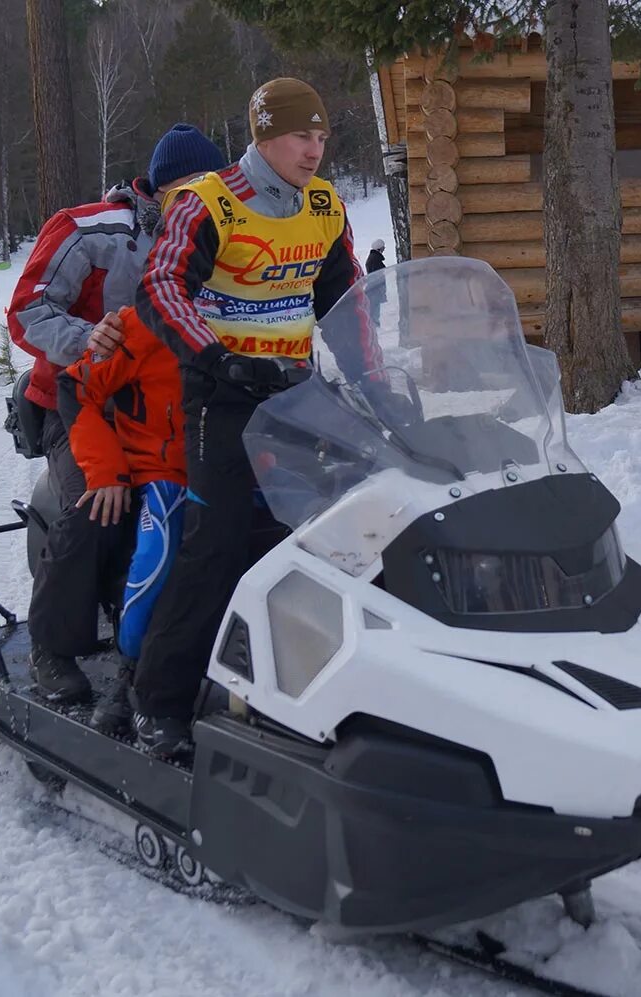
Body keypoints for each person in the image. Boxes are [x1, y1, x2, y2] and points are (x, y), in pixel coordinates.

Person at [132, 77, 381, 756]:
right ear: (265, 135)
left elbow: (347, 300)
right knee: (217, 542)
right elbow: (159, 285)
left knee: (323, 534)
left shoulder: (324, 206)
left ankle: (301, 686)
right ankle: (160, 702)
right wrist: (217, 357)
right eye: (303, 136)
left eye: (323, 137)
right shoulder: (207, 203)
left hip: (294, 387)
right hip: (221, 391)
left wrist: (380, 385)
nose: (315, 150)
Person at [8, 124, 227, 703]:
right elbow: (27, 311)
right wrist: (98, 342)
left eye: (214, 185)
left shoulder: (223, 233)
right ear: (158, 189)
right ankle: (50, 647)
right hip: (79, 399)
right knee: (95, 504)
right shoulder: (91, 232)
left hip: (176, 407)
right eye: (190, 187)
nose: (203, 198)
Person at [57, 305, 186, 735]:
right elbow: (76, 387)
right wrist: (105, 468)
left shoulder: (272, 306)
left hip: (252, 463)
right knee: (158, 555)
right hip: (166, 470)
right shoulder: (143, 323)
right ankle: (132, 672)